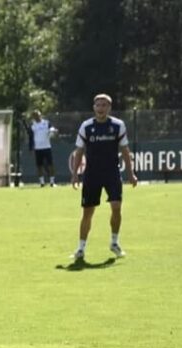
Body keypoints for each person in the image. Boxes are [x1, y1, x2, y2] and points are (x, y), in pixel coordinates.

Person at [69, 93, 137, 261]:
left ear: (109, 108)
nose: (101, 108)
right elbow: (79, 151)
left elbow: (125, 151)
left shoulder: (117, 125)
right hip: (92, 174)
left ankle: (114, 242)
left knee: (116, 207)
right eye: (98, 105)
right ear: (94, 108)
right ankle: (81, 248)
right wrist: (75, 175)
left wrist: (130, 173)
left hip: (112, 173)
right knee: (88, 213)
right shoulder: (86, 126)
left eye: (104, 105)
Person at [30, 110, 56, 186]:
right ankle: (42, 182)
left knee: (50, 164)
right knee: (39, 166)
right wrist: (31, 148)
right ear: (34, 117)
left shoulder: (46, 123)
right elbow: (31, 138)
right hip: (38, 148)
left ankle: (52, 182)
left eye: (38, 115)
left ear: (40, 115)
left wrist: (53, 131)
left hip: (47, 147)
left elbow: (52, 130)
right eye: (35, 116)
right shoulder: (33, 125)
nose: (37, 117)